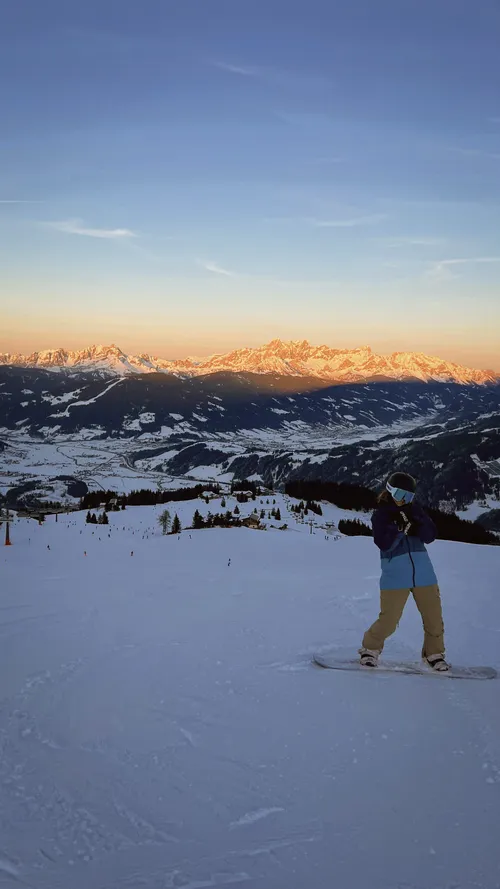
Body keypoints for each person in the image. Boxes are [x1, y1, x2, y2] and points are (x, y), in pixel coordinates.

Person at [359, 471, 449, 671]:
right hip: (395, 574)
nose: (404, 500)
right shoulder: (381, 515)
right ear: (390, 491)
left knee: (433, 618)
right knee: (389, 620)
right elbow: (383, 544)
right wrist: (399, 530)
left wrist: (418, 522)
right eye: (401, 495)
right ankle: (370, 649)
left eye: (408, 496)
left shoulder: (415, 510)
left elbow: (430, 536)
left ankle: (434, 654)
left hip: (424, 572)